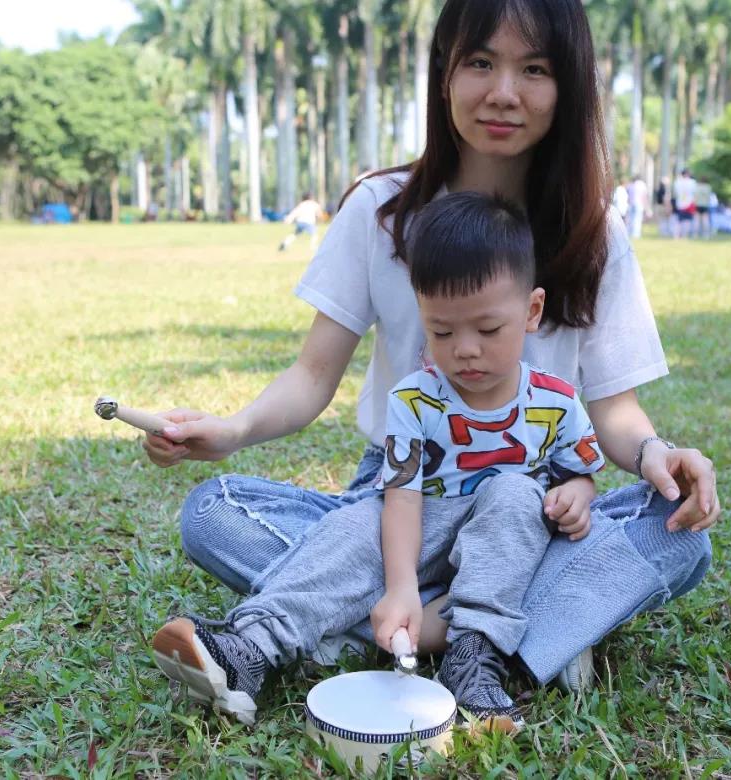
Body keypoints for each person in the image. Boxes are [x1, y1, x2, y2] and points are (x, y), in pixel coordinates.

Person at [143, 0, 719, 728]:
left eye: (533, 69)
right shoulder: (383, 210)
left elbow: (613, 410)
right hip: (402, 487)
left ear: (567, 86)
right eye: (480, 62)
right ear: (443, 72)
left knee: (676, 530)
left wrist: (659, 455)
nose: (503, 92)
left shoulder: (592, 230)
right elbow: (313, 376)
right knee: (214, 514)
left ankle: (410, 621)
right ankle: (505, 630)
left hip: (536, 504)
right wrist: (230, 429)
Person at [153, 192, 608, 728]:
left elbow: (580, 471)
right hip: (418, 520)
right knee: (352, 527)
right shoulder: (415, 401)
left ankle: (474, 656)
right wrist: (400, 587)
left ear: (532, 311)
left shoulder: (555, 401)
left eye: (487, 330)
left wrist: (576, 495)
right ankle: (250, 649)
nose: (464, 349)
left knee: (516, 493)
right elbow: (401, 499)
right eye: (441, 331)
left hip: (503, 545)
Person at [673, 169, 696, 238]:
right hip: (689, 203)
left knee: (679, 220)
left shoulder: (677, 182)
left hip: (680, 203)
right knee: (687, 221)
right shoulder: (692, 182)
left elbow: (676, 192)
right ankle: (684, 235)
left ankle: (676, 235)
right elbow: (694, 192)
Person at [628, 172, 649, 239]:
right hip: (639, 204)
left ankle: (630, 233)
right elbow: (644, 196)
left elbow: (628, 196)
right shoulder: (642, 185)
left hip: (631, 204)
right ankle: (636, 234)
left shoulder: (631, 185)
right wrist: (646, 206)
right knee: (637, 219)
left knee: (631, 219)